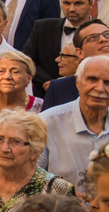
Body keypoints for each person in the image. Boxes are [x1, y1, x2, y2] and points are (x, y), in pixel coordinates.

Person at [39, 55, 109, 191]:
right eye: (92, 79)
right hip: (60, 210)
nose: (100, 88)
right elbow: (31, 180)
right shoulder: (47, 122)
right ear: (78, 83)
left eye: (108, 82)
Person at [28, 0, 95, 95]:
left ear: (91, 3)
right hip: (45, 95)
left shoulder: (102, 33)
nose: (72, 8)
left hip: (86, 95)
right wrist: (50, 83)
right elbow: (28, 60)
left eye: (78, 3)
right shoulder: (42, 27)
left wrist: (65, 84)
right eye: (66, 3)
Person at [46, 21, 109, 110]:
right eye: (92, 38)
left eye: (107, 34)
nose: (103, 39)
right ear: (79, 52)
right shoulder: (59, 88)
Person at [0, 50, 43, 130]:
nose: (7, 77)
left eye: (15, 72)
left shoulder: (41, 107)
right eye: (1, 71)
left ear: (28, 78)